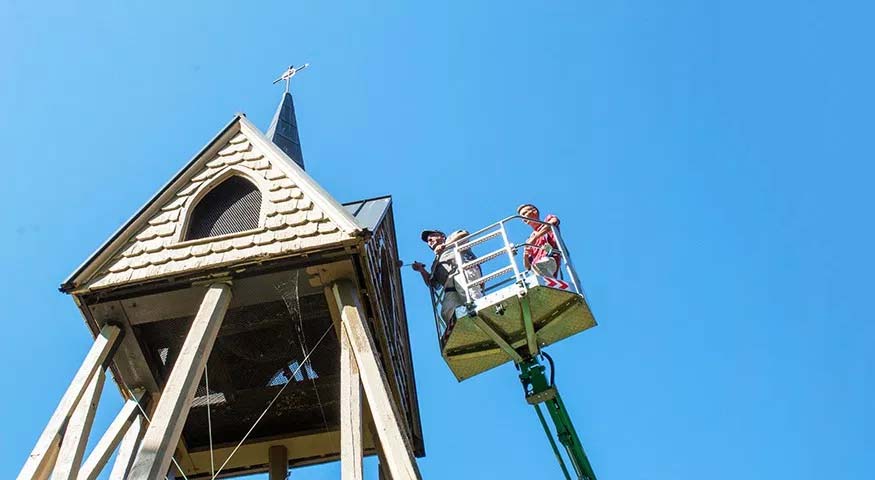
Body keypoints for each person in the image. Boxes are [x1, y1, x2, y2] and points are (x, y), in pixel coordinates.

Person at [412, 229, 482, 326]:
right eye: (428, 241)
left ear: (442, 236)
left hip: (462, 270)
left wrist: (445, 245)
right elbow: (433, 283)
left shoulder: (451, 238)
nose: (430, 241)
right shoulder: (435, 263)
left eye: (432, 236)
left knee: (469, 296)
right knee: (447, 311)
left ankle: (481, 312)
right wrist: (421, 270)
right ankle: (461, 328)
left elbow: (464, 234)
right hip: (449, 285)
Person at [517, 203, 562, 278]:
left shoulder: (547, 220)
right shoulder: (529, 239)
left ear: (534, 211)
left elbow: (553, 222)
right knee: (528, 277)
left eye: (524, 213)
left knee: (540, 267)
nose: (523, 218)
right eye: (521, 217)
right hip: (536, 268)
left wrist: (535, 238)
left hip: (549, 260)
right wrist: (525, 255)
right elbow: (528, 267)